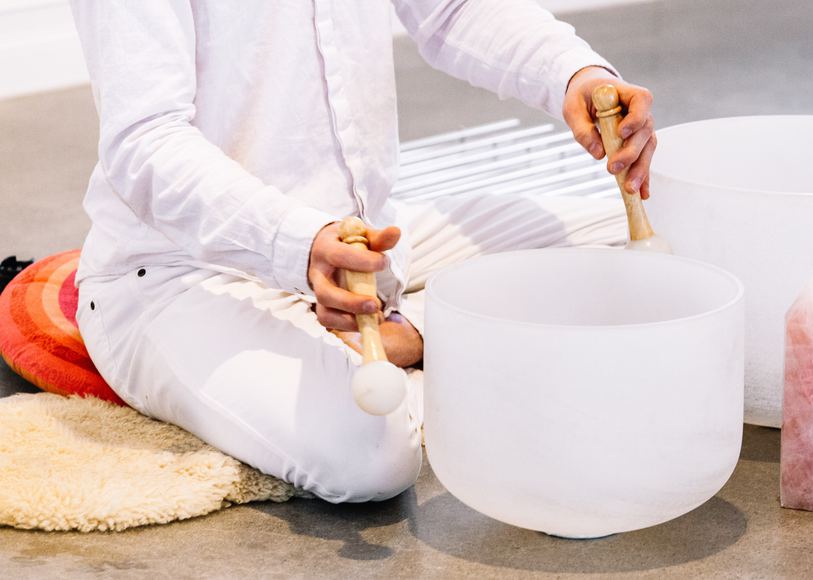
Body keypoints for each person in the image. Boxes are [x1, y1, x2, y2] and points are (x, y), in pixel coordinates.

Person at [68, 1, 657, 502]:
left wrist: (572, 73)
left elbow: (452, 9)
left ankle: (418, 334)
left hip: (366, 243)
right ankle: (471, 338)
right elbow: (145, 140)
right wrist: (297, 242)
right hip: (182, 274)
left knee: (644, 244)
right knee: (371, 455)